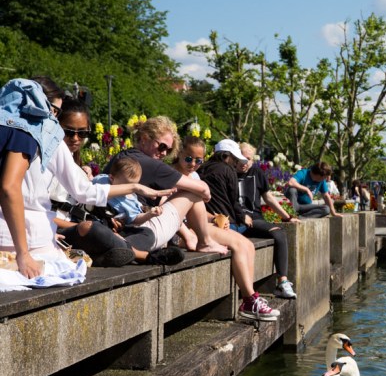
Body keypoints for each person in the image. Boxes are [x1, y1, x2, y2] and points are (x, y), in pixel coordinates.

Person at [0, 77, 174, 278]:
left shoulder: (9, 127)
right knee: (91, 235)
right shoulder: (37, 133)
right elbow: (10, 188)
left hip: (27, 235)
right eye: (54, 112)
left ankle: (125, 251)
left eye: (82, 133)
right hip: (29, 240)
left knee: (130, 232)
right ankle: (137, 254)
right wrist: (23, 254)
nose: (52, 119)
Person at [108, 116, 228, 255]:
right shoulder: (147, 163)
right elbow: (203, 189)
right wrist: (205, 196)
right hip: (142, 230)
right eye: (162, 146)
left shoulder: (124, 155)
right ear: (145, 138)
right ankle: (205, 242)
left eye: (169, 150)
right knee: (193, 193)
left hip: (126, 225)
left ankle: (191, 237)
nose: (164, 153)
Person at [194, 139, 282, 320]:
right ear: (227, 157)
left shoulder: (200, 171)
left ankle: (251, 297)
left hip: (209, 219)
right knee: (244, 244)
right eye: (235, 159)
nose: (237, 164)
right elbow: (234, 202)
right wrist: (243, 218)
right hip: (223, 222)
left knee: (247, 245)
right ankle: (250, 298)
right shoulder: (228, 171)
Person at [223, 141, 297, 299]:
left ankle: (282, 282)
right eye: (241, 157)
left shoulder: (257, 172)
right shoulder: (227, 171)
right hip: (234, 219)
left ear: (253, 160)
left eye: (248, 158)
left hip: (254, 219)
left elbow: (268, 198)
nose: (244, 162)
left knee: (279, 234)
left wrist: (287, 217)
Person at [169, 134, 205, 249]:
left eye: (198, 161)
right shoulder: (169, 174)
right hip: (175, 228)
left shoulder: (195, 176)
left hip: (190, 225)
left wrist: (215, 218)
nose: (193, 164)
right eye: (188, 159)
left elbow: (198, 209)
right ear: (179, 153)